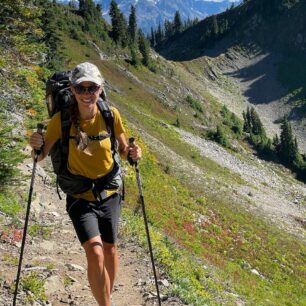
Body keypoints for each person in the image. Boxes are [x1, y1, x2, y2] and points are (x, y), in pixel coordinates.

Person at [29, 62, 141, 306]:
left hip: (109, 191)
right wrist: (36, 144)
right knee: (95, 250)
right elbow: (40, 156)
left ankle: (105, 297)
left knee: (110, 250)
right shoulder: (60, 121)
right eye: (82, 88)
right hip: (79, 195)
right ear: (72, 89)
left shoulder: (111, 114)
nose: (87, 94)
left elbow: (122, 150)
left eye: (92, 88)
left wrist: (133, 152)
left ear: (100, 89)